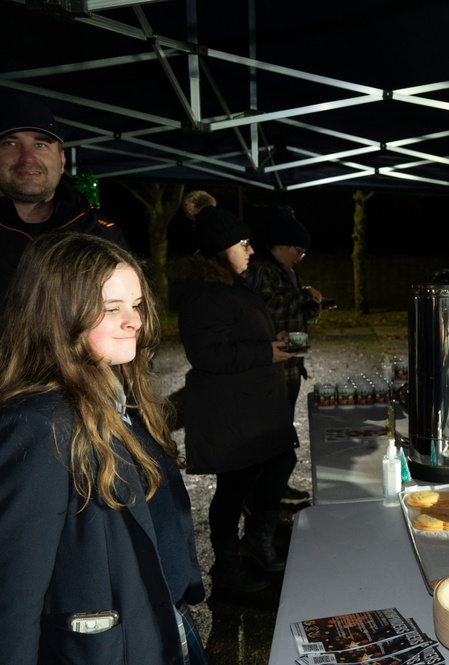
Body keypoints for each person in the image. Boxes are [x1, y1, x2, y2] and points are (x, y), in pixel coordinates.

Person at [0, 232, 205, 664]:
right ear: (58, 318)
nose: (134, 321)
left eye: (136, 305)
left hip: (165, 624)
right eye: (112, 309)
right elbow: (12, 597)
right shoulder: (41, 425)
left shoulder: (120, 390)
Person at [171, 190, 298, 594]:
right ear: (221, 248)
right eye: (243, 244)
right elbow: (207, 354)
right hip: (233, 414)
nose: (251, 249)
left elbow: (236, 335)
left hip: (253, 409)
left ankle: (256, 542)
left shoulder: (230, 283)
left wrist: (270, 340)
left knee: (279, 463)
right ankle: (228, 567)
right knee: (232, 491)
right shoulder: (204, 291)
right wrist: (267, 351)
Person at [0, 91, 128, 303]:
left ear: (61, 161)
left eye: (40, 144)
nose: (28, 157)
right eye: (10, 144)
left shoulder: (102, 236)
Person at [246, 206, 327, 508]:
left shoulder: (288, 272)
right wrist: (303, 296)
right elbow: (269, 310)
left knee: (282, 431)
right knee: (273, 435)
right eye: (298, 250)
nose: (300, 256)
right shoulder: (262, 271)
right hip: (273, 366)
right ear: (280, 244)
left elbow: (293, 313)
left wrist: (312, 311)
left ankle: (277, 487)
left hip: (292, 366)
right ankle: (264, 494)